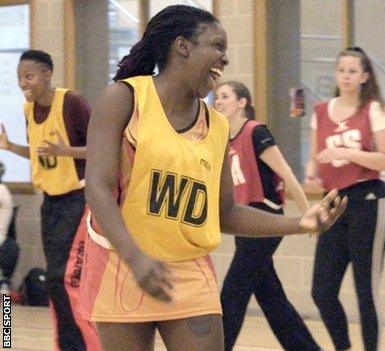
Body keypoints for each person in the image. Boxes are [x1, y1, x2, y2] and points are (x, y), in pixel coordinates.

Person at [81, 6, 346, 351]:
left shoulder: (217, 125)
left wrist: (300, 223)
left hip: (189, 270)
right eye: (217, 46)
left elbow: (224, 213)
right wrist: (136, 257)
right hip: (122, 262)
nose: (225, 58)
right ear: (183, 46)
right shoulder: (124, 99)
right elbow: (98, 188)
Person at [0, 49, 99, 350]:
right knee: (56, 282)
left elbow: (104, 148)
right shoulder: (29, 110)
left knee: (65, 277)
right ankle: (68, 344)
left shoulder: (71, 103)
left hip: (78, 200)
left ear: (46, 74)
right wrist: (10, 146)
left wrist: (67, 151)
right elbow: (42, 156)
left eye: (28, 76)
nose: (23, 83)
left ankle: (90, 344)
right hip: (51, 203)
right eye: (19, 77)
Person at [214, 81, 321, 351]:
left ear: (242, 102)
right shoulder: (222, 138)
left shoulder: (256, 132)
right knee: (270, 297)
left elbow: (287, 175)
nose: (218, 101)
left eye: (225, 96)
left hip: (266, 218)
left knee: (233, 292)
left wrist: (307, 215)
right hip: (244, 221)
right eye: (216, 96)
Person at [305, 46, 385, 351]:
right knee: (321, 290)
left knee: (365, 290)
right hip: (333, 201)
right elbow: (316, 155)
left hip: (368, 199)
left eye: (353, 71)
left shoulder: (374, 109)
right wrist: (311, 173)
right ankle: (342, 347)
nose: (346, 76)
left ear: (364, 76)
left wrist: (345, 152)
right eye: (341, 70)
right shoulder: (320, 111)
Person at [0, 161, 16, 294]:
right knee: (4, 284)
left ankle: (7, 314)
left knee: (4, 287)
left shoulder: (1, 190)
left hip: (1, 241)